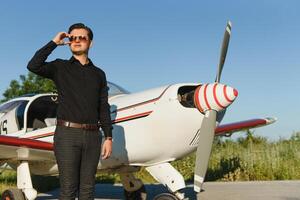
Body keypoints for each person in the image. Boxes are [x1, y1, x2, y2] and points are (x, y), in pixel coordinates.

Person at [27, 23, 113, 200]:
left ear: (91, 43)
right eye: (73, 37)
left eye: (82, 37)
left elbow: (103, 106)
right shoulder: (60, 67)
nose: (77, 40)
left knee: (88, 190)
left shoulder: (99, 74)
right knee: (68, 190)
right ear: (68, 41)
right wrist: (54, 42)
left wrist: (108, 137)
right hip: (67, 135)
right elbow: (33, 66)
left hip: (93, 136)